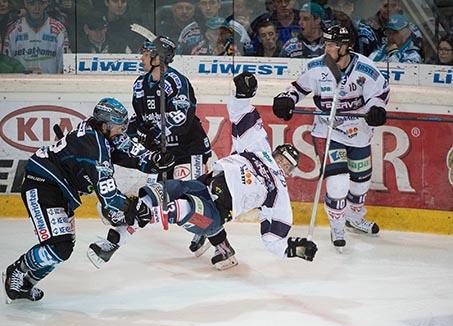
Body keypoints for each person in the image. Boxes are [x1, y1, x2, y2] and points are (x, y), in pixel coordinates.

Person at [88, 72, 318, 270]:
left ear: (289, 173)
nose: (282, 165)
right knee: (156, 191)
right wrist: (243, 93)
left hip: (215, 213)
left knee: (179, 208)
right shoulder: (259, 148)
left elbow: (273, 239)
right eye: (282, 158)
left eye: (288, 165)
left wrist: (293, 249)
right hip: (201, 186)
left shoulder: (279, 190)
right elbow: (240, 113)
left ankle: (209, 240)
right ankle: (114, 241)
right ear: (275, 152)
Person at [2, 97, 174, 302]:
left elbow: (129, 148)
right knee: (59, 247)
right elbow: (108, 197)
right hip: (41, 183)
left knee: (62, 248)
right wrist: (132, 205)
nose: (122, 130)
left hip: (61, 190)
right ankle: (17, 270)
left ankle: (25, 285)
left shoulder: (102, 131)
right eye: (120, 127)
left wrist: (153, 160)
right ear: (106, 125)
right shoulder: (95, 147)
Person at [273, 25, 389, 249]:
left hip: (359, 134)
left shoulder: (366, 68)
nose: (327, 49)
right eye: (325, 44)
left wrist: (377, 109)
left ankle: (354, 219)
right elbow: (296, 89)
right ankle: (337, 226)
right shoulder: (316, 67)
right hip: (328, 132)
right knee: (338, 183)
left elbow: (379, 94)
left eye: (332, 45)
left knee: (360, 183)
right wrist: (286, 99)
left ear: (346, 47)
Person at [128, 35, 212, 257]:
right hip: (163, 151)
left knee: (192, 197)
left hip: (189, 147)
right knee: (157, 196)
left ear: (159, 57)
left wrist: (155, 132)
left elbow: (183, 118)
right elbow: (140, 120)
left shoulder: (176, 81)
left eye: (146, 53)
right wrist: (126, 133)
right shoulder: (139, 85)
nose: (142, 57)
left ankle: (209, 231)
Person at [2, 0, 69, 73]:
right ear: (25, 4)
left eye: (41, 3)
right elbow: (6, 63)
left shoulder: (58, 29)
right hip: (20, 82)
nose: (37, 8)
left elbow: (65, 63)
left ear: (46, 3)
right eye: (32, 3)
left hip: (51, 83)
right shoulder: (14, 30)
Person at [177, 0, 251, 55]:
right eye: (204, 3)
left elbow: (249, 53)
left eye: (212, 3)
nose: (208, 7)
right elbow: (179, 55)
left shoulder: (236, 28)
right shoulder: (189, 30)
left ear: (219, 4)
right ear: (199, 5)